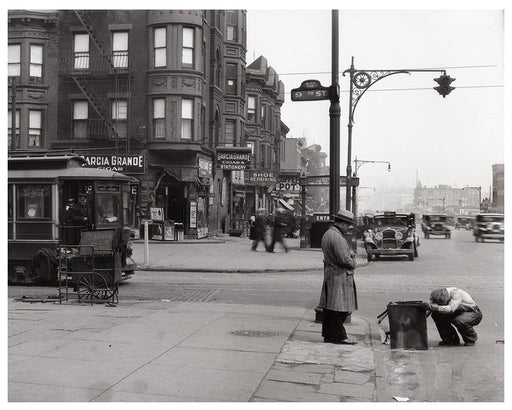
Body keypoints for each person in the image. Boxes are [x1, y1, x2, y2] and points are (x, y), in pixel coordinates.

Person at [318, 209, 358, 345]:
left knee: (330, 309)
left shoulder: (328, 234)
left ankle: (329, 335)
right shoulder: (337, 237)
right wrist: (353, 263)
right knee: (339, 310)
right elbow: (344, 259)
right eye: (347, 225)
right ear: (342, 224)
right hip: (339, 276)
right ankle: (339, 336)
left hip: (331, 274)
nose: (348, 228)